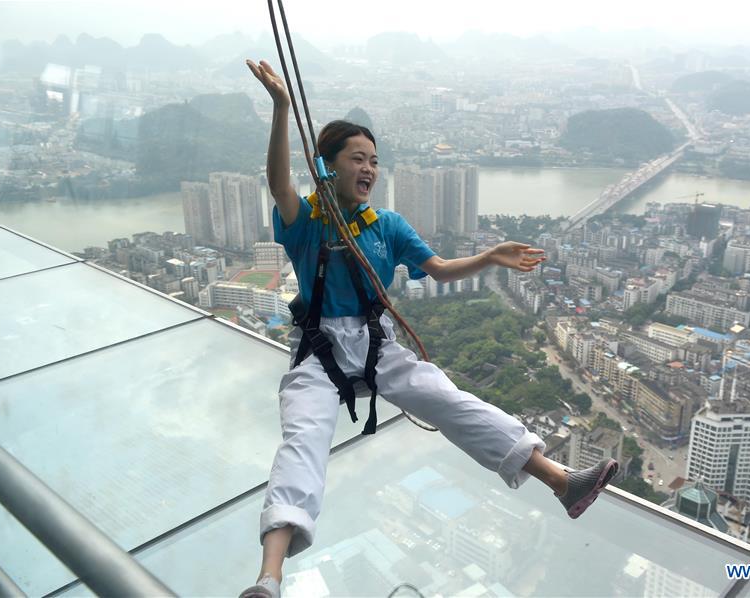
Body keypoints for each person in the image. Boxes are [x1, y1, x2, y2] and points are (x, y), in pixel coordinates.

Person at [240, 59, 619, 598]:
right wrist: (281, 109)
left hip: (376, 344)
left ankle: (562, 482)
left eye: (375, 161)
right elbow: (279, 183)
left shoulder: (386, 226)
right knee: (303, 440)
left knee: (448, 400)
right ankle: (268, 580)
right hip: (320, 348)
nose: (369, 169)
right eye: (357, 159)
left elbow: (438, 269)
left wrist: (489, 256)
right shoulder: (309, 221)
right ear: (327, 167)